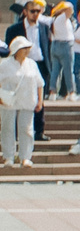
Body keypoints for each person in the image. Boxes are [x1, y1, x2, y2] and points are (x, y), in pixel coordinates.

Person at [0, 37, 38, 166]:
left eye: (28, 48)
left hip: (27, 100)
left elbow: (40, 83)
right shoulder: (4, 64)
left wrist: (40, 101)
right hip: (8, 101)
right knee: (7, 128)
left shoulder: (32, 64)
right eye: (24, 48)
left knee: (27, 129)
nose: (27, 51)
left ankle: (25, 157)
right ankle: (8, 156)